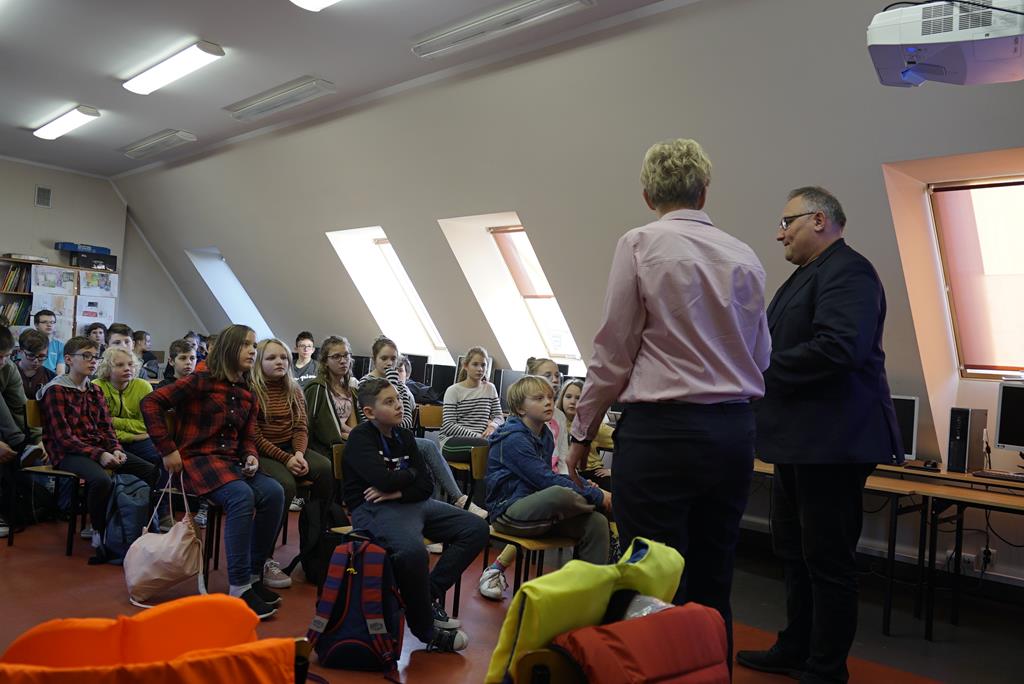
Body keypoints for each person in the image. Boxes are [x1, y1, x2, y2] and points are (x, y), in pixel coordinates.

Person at [566, 139, 771, 663]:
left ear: (647, 195)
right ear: (704, 192)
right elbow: (761, 355)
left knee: (650, 578)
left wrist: (582, 432)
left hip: (662, 436)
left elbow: (613, 353)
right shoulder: (745, 255)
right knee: (714, 576)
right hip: (733, 434)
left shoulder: (639, 244)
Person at [736, 187, 902, 684]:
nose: (779, 233)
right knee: (793, 550)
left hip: (832, 444)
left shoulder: (850, 272)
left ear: (819, 220)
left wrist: (755, 370)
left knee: (828, 560)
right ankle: (797, 647)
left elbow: (838, 349)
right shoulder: (808, 274)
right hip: (800, 442)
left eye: (786, 222)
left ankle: (827, 669)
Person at [141, 325, 286, 619]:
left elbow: (248, 437)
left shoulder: (248, 392)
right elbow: (151, 402)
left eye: (254, 345)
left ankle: (254, 577)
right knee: (241, 496)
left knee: (275, 492)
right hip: (196, 460)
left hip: (230, 461)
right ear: (229, 349)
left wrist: (250, 456)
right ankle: (239, 587)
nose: (252, 351)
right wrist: (167, 449)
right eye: (246, 345)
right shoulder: (201, 381)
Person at [343, 377, 489, 653]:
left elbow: (426, 485)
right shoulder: (360, 438)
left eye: (398, 399)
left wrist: (397, 490)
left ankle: (424, 596)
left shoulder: (404, 436)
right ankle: (425, 629)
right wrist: (408, 476)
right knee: (413, 553)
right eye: (389, 402)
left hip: (409, 503)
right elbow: (383, 480)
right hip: (373, 509)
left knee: (476, 528)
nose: (399, 405)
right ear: (370, 412)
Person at [480, 375, 610, 600]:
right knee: (560, 493)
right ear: (521, 408)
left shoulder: (545, 434)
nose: (548, 402)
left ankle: (587, 597)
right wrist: (596, 495)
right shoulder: (513, 439)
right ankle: (606, 505)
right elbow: (545, 480)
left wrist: (584, 484)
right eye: (539, 398)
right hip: (508, 512)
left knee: (596, 523)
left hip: (538, 513)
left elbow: (552, 474)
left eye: (550, 397)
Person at [39, 336, 158, 553]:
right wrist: (100, 454)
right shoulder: (56, 390)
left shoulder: (94, 390)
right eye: (86, 356)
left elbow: (106, 427)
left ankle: (140, 527)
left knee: (151, 472)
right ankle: (98, 530)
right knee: (101, 480)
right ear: (68, 359)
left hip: (96, 449)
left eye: (95, 356)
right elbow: (63, 438)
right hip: (67, 453)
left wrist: (116, 449)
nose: (92, 360)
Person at [360, 336, 477, 515]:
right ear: (374, 359)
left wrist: (396, 386)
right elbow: (368, 422)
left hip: (399, 437)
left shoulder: (400, 386)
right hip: (379, 439)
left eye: (393, 359)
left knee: (425, 463)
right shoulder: (366, 384)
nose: (389, 363)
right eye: (384, 358)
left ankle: (436, 506)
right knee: (428, 446)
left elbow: (406, 422)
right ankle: (458, 499)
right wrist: (393, 386)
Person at [250, 337, 333, 586]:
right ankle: (263, 558)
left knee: (325, 468)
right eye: (271, 358)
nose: (280, 362)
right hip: (264, 452)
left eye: (284, 357)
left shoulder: (293, 388)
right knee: (284, 485)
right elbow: (255, 436)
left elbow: (300, 427)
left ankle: (316, 545)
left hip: (291, 449)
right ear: (258, 362)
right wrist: (287, 459)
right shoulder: (252, 390)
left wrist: (298, 454)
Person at [439, 347, 503, 468]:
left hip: (482, 441)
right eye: (475, 364)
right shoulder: (453, 391)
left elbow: (499, 417)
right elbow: (449, 426)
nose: (480, 369)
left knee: (502, 445)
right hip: (452, 442)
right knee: (491, 447)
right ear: (466, 366)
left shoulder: (490, 388)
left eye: (483, 365)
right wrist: (478, 437)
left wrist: (493, 426)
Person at [303, 335, 359, 456]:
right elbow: (309, 427)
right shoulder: (317, 388)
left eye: (346, 355)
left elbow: (353, 424)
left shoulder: (352, 390)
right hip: (324, 448)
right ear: (325, 362)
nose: (343, 361)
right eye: (336, 356)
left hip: (346, 443)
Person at [558, 379, 613, 492]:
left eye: (578, 398)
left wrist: (613, 471)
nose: (572, 401)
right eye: (568, 396)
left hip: (592, 472)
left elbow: (626, 443)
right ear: (561, 399)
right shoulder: (555, 423)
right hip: (565, 472)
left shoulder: (594, 425)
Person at [526, 357, 568, 473]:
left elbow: (563, 458)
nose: (555, 380)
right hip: (539, 476)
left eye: (557, 376)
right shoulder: (528, 416)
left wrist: (573, 480)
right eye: (548, 375)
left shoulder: (560, 416)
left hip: (555, 476)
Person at [16, 329, 55, 402]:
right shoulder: (7, 373)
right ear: (20, 351)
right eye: (31, 355)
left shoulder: (51, 377)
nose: (36, 361)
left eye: (41, 356)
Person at [34, 310, 65, 375]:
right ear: (36, 325)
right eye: (44, 322)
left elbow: (60, 372)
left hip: (52, 379)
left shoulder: (60, 345)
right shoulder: (29, 342)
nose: (49, 325)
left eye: (52, 322)